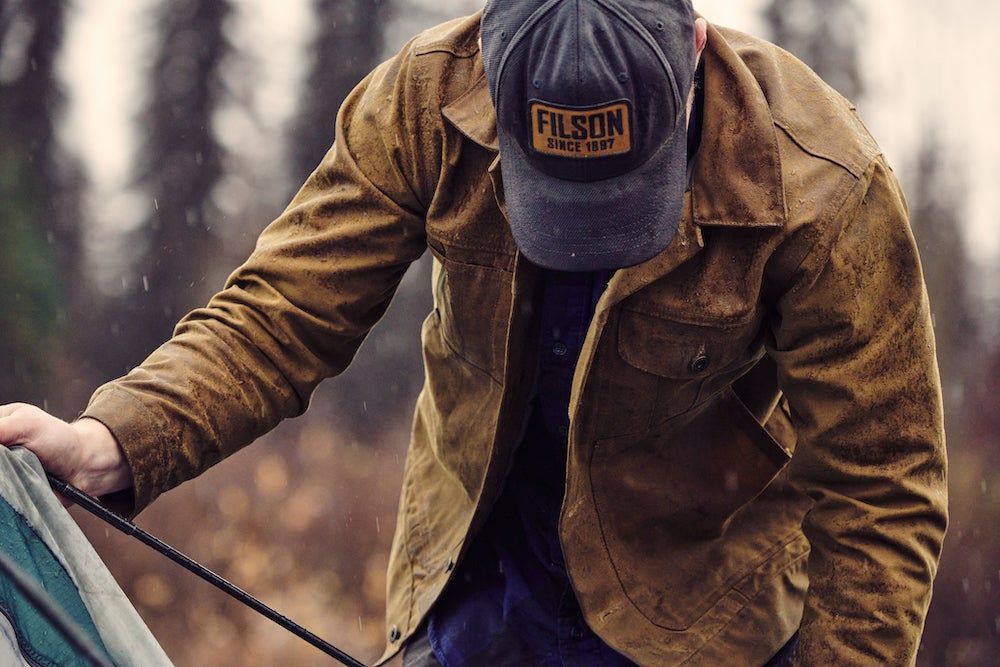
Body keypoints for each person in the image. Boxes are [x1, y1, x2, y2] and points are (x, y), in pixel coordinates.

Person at [0, 1, 947, 665]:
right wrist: (110, 439)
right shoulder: (422, 101)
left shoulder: (825, 184)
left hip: (707, 619)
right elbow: (282, 313)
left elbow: (884, 485)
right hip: (473, 594)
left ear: (693, 48)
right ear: (492, 58)